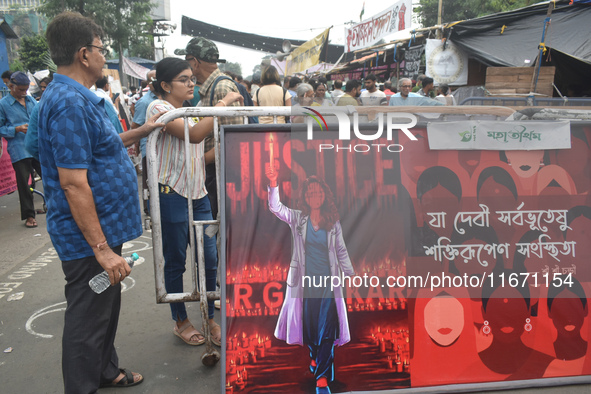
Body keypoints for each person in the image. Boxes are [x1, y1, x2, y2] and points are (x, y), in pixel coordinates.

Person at [38, 12, 166, 392]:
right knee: (88, 316)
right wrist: (101, 250)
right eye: (101, 48)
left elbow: (96, 151)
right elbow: (73, 184)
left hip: (103, 232)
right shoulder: (68, 102)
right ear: (83, 54)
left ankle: (105, 371)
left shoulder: (78, 98)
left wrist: (141, 132)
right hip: (89, 241)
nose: (103, 55)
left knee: (104, 307)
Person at [147, 57, 243, 346]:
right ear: (165, 85)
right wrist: (222, 104)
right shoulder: (159, 108)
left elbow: (199, 151)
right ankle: (180, 320)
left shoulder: (189, 109)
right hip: (172, 193)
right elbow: (195, 135)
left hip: (198, 192)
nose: (191, 83)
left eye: (192, 78)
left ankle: (209, 317)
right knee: (176, 261)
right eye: (183, 80)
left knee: (210, 258)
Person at [266, 167, 355, 394]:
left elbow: (341, 251)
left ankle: (322, 379)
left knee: (327, 330)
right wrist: (273, 183)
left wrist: (351, 276)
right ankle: (316, 358)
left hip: (328, 284)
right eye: (310, 193)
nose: (314, 196)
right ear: (305, 197)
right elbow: (275, 208)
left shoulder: (333, 222)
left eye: (318, 193)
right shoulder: (298, 219)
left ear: (324, 196)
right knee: (312, 330)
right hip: (304, 285)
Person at [176, 36, 242, 220]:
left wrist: (200, 161)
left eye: (187, 60)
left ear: (195, 62)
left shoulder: (221, 88)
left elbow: (232, 142)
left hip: (219, 173)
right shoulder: (211, 87)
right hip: (212, 172)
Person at [0, 71, 41, 228]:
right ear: (11, 86)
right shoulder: (3, 104)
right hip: (19, 148)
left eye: (25, 90)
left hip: (35, 145)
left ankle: (56, 206)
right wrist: (16, 129)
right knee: (24, 182)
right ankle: (29, 216)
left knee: (49, 174)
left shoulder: (30, 100)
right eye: (21, 90)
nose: (24, 93)